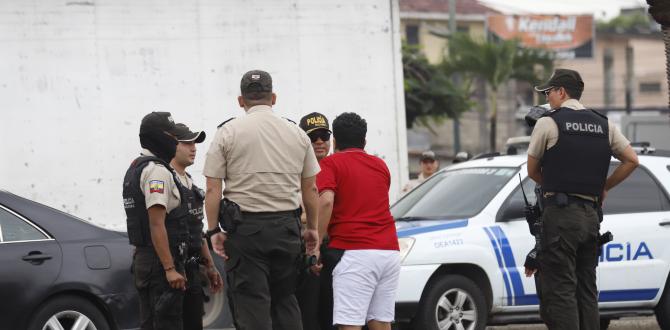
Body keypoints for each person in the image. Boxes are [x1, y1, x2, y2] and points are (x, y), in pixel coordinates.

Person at [202, 70, 320, 330]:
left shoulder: (227, 132)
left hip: (246, 233)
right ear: (273, 98)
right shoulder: (297, 133)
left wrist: (213, 230)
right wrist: (311, 228)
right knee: (286, 300)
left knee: (252, 305)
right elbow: (311, 190)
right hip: (287, 230)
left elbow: (213, 190)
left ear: (240, 101)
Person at [527, 68, 639, 330]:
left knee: (561, 289)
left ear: (561, 92)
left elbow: (532, 171)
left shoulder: (548, 122)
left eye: (549, 92)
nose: (547, 98)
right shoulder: (604, 124)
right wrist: (603, 187)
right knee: (587, 289)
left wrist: (557, 185)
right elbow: (632, 160)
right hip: (591, 217)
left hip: (561, 218)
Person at [317, 112, 400, 330]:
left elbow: (326, 202)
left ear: (334, 142)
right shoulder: (381, 166)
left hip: (354, 252)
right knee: (380, 322)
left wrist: (315, 244)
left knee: (349, 324)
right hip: (389, 251)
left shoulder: (330, 164)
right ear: (364, 141)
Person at [123, 112, 189, 330]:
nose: (175, 141)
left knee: (151, 322)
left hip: (148, 259)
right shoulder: (157, 172)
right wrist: (169, 268)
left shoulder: (136, 166)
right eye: (171, 136)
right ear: (157, 137)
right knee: (166, 323)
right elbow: (156, 222)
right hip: (160, 265)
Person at [169, 123, 223, 330]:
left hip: (191, 271)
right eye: (187, 143)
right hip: (174, 272)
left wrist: (210, 266)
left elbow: (196, 231)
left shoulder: (189, 181)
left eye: (195, 143)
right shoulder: (166, 178)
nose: (193, 148)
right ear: (172, 145)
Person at [295, 112, 332, 330]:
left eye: (324, 135)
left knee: (331, 312)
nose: (319, 141)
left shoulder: (337, 167)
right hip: (306, 249)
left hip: (333, 250)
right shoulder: (295, 171)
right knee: (308, 313)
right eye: (313, 137)